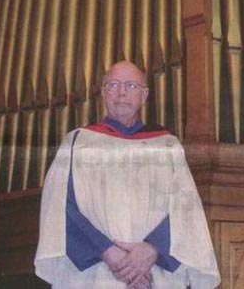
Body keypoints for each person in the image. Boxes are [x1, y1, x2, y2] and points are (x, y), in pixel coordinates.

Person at [35, 60, 221, 288]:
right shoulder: (78, 142)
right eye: (113, 85)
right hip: (94, 274)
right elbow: (61, 206)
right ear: (103, 93)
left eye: (131, 86)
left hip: (154, 274)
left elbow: (186, 207)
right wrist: (108, 252)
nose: (122, 92)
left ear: (144, 95)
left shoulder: (166, 146)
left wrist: (152, 250)